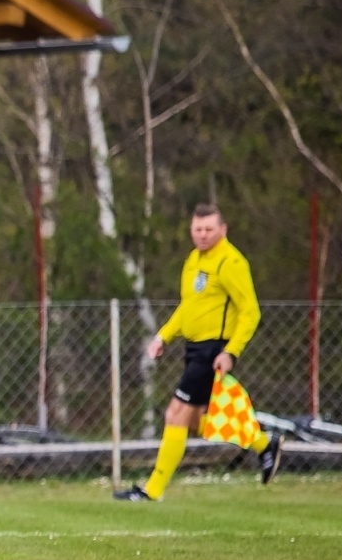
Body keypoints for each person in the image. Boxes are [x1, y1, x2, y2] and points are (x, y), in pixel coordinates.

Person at [115, 204, 280, 501]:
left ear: (223, 230)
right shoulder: (193, 260)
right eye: (197, 229)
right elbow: (188, 308)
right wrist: (163, 336)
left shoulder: (231, 262)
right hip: (193, 349)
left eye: (208, 229)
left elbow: (250, 312)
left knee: (175, 413)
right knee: (194, 422)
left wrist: (231, 352)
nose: (202, 235)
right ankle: (263, 443)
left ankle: (152, 490)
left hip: (213, 350)